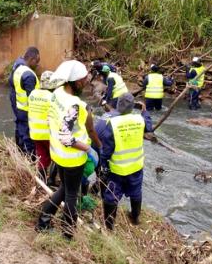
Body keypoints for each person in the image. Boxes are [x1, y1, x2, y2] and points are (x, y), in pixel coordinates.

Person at [36, 60, 102, 239]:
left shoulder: (57, 93)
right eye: (83, 80)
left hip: (57, 154)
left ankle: (43, 220)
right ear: (75, 82)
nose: (86, 82)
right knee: (71, 195)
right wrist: (89, 149)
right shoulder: (75, 104)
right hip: (72, 158)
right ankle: (68, 233)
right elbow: (67, 138)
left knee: (64, 189)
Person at [99, 93, 153, 230]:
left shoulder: (112, 123)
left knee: (111, 196)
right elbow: (149, 127)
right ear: (132, 107)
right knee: (136, 192)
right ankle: (135, 218)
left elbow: (107, 150)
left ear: (118, 106)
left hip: (117, 169)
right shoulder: (139, 119)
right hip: (136, 166)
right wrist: (145, 111)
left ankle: (109, 227)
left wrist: (103, 165)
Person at [9, 47, 40, 155]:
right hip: (28, 110)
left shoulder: (18, 69)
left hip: (20, 107)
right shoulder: (29, 75)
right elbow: (33, 97)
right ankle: (30, 157)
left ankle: (20, 153)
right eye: (37, 61)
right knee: (28, 136)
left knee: (20, 131)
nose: (38, 64)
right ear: (32, 59)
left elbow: (12, 86)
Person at [28, 70, 57, 182]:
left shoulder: (32, 94)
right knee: (55, 157)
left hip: (35, 133)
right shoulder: (52, 96)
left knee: (42, 156)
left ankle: (42, 180)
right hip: (48, 134)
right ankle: (51, 180)